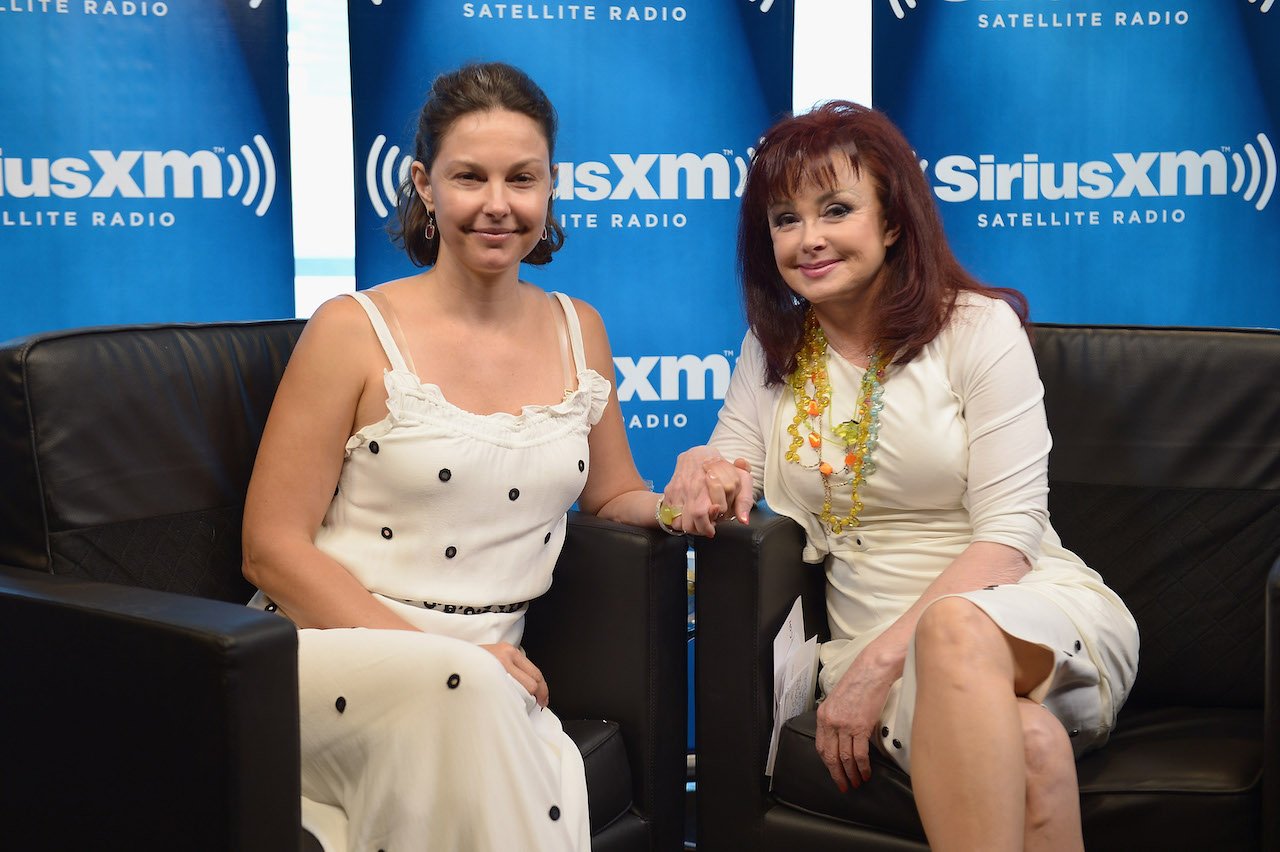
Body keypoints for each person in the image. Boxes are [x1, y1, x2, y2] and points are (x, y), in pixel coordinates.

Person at [661, 101, 1139, 851]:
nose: (808, 238)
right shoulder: (773, 347)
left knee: (954, 629)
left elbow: (1012, 536)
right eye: (785, 219)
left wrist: (882, 665)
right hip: (867, 632)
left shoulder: (977, 328)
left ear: (890, 223)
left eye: (836, 210)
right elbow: (732, 466)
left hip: (1023, 609)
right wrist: (699, 466)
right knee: (1034, 749)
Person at [241, 62, 662, 852]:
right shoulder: (350, 328)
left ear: (550, 187)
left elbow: (615, 495)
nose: (498, 204)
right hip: (337, 652)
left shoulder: (582, 329)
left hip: (490, 672)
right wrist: (438, 657)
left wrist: (683, 504)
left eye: (522, 178)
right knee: (463, 688)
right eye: (469, 176)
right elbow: (270, 549)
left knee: (471, 694)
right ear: (424, 186)